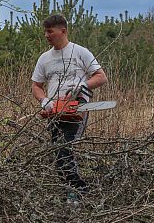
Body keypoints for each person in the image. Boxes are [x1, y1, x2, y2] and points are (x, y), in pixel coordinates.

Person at [31, 14, 108, 204]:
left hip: (77, 108)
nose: (46, 35)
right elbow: (36, 85)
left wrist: (82, 86)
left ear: (62, 31)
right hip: (55, 110)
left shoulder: (80, 52)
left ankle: (77, 192)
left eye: (50, 31)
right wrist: (44, 101)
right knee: (59, 153)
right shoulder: (45, 58)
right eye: (45, 32)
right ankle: (71, 192)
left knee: (64, 150)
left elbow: (101, 77)